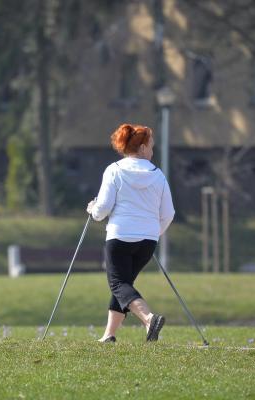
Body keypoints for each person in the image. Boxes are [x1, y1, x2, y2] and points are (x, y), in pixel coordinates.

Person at [86, 123, 175, 342]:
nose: (152, 152)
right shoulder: (159, 176)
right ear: (143, 148)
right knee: (124, 285)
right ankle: (109, 335)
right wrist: (155, 232)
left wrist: (92, 210)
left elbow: (103, 208)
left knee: (118, 284)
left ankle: (149, 318)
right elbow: (168, 213)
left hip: (120, 237)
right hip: (147, 242)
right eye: (151, 147)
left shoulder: (114, 170)